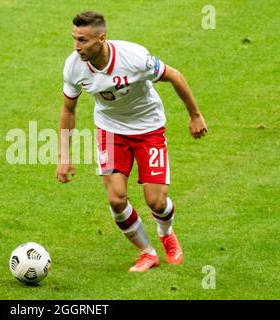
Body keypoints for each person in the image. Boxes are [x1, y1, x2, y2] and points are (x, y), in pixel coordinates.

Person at [56, 11, 208, 272]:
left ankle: (166, 233)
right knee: (116, 198)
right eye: (74, 39)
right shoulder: (73, 66)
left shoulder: (134, 57)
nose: (77, 47)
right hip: (111, 130)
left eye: (83, 40)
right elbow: (68, 110)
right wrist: (63, 156)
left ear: (101, 38)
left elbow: (175, 76)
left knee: (157, 202)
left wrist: (195, 115)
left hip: (148, 127)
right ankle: (147, 253)